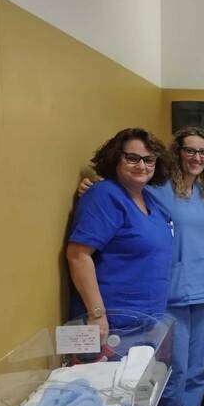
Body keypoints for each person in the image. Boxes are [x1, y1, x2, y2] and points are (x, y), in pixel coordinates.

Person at [77, 127, 204, 406]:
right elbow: (123, 189)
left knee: (197, 371)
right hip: (172, 294)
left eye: (203, 152)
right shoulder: (158, 189)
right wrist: (90, 183)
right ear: (176, 153)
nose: (197, 157)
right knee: (175, 372)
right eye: (190, 150)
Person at [67, 128, 173, 338]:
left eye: (148, 160)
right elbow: (78, 255)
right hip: (112, 325)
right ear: (116, 158)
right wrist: (97, 315)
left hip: (147, 320)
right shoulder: (103, 196)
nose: (141, 166)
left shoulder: (151, 200)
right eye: (132, 158)